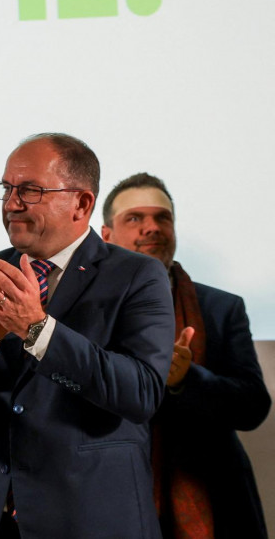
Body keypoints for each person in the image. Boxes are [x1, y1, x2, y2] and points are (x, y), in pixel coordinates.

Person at [0, 133, 175, 539]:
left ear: (81, 203)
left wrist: (38, 330)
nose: (11, 204)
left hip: (90, 518)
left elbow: (141, 393)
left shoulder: (138, 275)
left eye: (29, 190)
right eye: (6, 189)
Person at [101, 172, 270, 538]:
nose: (152, 228)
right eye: (135, 218)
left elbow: (253, 406)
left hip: (213, 501)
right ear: (106, 236)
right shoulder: (85, 308)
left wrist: (185, 380)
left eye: (163, 218)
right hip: (113, 499)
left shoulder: (222, 307)